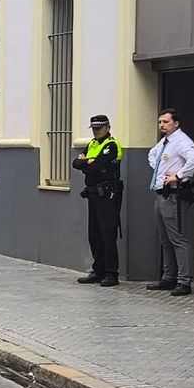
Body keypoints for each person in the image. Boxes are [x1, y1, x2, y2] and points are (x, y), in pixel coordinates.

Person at [147, 108, 194, 297]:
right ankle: (169, 277)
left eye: (166, 122)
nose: (162, 125)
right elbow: (152, 155)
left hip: (174, 195)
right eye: (160, 122)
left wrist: (178, 175)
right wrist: (161, 171)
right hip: (162, 193)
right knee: (165, 240)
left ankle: (184, 281)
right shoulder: (165, 142)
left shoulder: (182, 141)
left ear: (176, 123)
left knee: (178, 239)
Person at [72, 115, 124, 287]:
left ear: (108, 127)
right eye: (94, 128)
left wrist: (86, 162)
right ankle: (98, 270)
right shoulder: (93, 144)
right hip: (93, 194)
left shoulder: (111, 145)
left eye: (100, 128)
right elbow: (75, 164)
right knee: (94, 234)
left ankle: (111, 273)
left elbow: (93, 167)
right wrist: (89, 162)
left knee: (108, 233)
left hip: (108, 194)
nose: (96, 131)